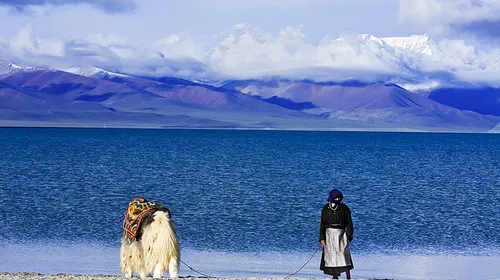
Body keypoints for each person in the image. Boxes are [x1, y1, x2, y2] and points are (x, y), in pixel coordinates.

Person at [319, 188, 354, 279]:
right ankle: (335, 276)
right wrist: (322, 238)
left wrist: (349, 235)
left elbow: (349, 223)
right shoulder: (325, 208)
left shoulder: (344, 208)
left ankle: (348, 276)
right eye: (336, 198)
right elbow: (322, 223)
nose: (337, 199)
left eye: (339, 198)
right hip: (329, 234)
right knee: (331, 254)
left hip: (341, 234)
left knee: (343, 254)